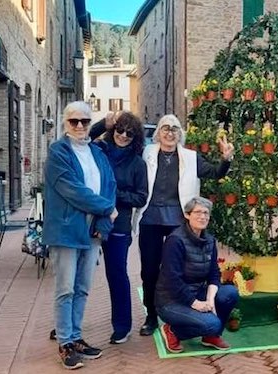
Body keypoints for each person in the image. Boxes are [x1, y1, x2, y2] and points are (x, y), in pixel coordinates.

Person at [134, 114, 234, 336]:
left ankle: (181, 311)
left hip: (178, 221)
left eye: (175, 129)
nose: (170, 133)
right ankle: (151, 315)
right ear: (158, 133)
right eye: (165, 128)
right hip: (151, 219)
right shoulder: (146, 153)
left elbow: (215, 173)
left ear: (181, 134)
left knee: (179, 270)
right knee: (149, 271)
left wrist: (226, 159)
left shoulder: (191, 157)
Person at [43, 101, 117, 370]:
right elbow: (71, 189)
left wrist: (103, 218)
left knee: (83, 288)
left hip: (92, 230)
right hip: (66, 230)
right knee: (65, 289)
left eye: (85, 121)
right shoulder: (57, 152)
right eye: (74, 121)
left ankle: (75, 337)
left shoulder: (96, 151)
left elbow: (109, 183)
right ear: (66, 123)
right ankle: (64, 342)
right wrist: (107, 208)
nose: (79, 126)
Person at [89, 111, 148, 344]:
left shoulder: (137, 163)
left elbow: (140, 197)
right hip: (91, 220)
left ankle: (122, 326)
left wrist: (112, 195)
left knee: (116, 274)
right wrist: (103, 124)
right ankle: (67, 325)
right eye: (119, 130)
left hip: (118, 224)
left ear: (136, 137)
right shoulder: (100, 151)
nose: (123, 135)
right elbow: (83, 138)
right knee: (77, 274)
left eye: (129, 133)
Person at [156, 197, 239, 353]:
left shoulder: (209, 240)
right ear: (187, 215)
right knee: (212, 323)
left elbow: (214, 272)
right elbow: (172, 280)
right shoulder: (175, 240)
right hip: (171, 300)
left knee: (230, 293)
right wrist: (196, 304)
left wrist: (210, 300)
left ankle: (211, 337)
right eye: (198, 212)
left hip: (197, 292)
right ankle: (172, 331)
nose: (203, 217)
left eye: (206, 213)